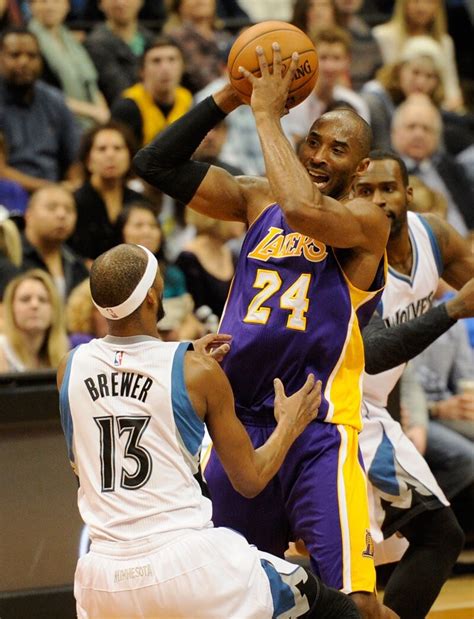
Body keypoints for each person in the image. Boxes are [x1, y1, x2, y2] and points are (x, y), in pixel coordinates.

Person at [133, 45, 394, 618]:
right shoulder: (256, 198)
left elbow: (303, 210)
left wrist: (266, 114)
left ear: (361, 169)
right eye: (314, 142)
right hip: (238, 427)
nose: (319, 155)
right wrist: (231, 94)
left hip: (318, 430)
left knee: (357, 603)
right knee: (231, 599)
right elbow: (154, 164)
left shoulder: (367, 222)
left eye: (338, 149)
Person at [56, 242, 363, 619]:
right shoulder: (197, 373)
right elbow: (250, 479)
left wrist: (183, 353)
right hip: (187, 567)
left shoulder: (70, 367)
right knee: (339, 610)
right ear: (152, 297)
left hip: (101, 579)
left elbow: (126, 375)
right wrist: (289, 424)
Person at [352, 150, 472, 618]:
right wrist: (451, 310)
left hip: (372, 409)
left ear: (409, 192)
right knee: (349, 570)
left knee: (436, 536)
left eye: (387, 189)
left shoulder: (433, 237)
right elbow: (374, 352)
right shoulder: (355, 257)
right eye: (365, 191)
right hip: (336, 408)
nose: (379, 200)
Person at [0, 26, 81, 193]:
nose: (24, 62)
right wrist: (52, 190)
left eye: (32, 56)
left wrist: (74, 185)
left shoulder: (55, 100)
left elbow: (76, 159)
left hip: (55, 194)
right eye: (15, 55)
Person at [391, 95, 474, 236]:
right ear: (394, 133)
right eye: (411, 127)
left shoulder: (450, 167)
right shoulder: (387, 172)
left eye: (426, 129)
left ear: (437, 137)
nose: (419, 134)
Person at [68, 121, 148, 262]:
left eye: (118, 148)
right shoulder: (74, 201)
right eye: (102, 149)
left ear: (130, 156)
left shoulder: (139, 201)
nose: (110, 155)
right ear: (88, 160)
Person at [27, 0, 110, 131]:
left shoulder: (70, 39)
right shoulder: (28, 43)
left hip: (90, 119)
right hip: (52, 123)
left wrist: (103, 112)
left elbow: (91, 84)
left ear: (67, 5)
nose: (49, 6)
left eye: (56, 1)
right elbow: (41, 93)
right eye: (43, 1)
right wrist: (93, 111)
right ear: (31, 6)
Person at [282, 26, 370, 147]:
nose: (330, 66)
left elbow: (360, 149)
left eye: (336, 58)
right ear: (311, 59)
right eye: (323, 58)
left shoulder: (356, 104)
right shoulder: (294, 103)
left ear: (347, 60)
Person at [372, 0, 464, 111]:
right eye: (415, 1)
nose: (422, 7)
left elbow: (452, 92)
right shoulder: (382, 35)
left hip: (433, 109)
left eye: (429, 2)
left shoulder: (445, 42)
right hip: (392, 106)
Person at [111, 36, 193, 148]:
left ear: (183, 67)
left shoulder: (188, 100)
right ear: (142, 71)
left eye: (172, 60)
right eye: (156, 61)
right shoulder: (127, 107)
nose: (165, 68)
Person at [21, 184, 88, 301]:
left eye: (69, 210)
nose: (62, 215)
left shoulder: (78, 266)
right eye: (51, 208)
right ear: (28, 215)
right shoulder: (9, 257)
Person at [84, 0, 155, 107]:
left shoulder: (150, 39)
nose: (120, 3)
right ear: (101, 4)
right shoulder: (95, 44)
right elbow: (118, 90)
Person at [0, 268, 68, 372]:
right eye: (25, 299)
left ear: (54, 310)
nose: (35, 305)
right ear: (11, 308)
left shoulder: (63, 355)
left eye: (43, 299)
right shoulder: (2, 350)